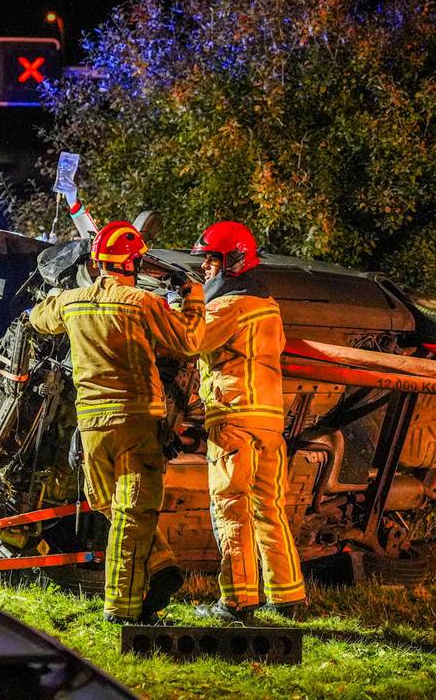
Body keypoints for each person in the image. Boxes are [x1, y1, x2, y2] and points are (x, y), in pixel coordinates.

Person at [29, 220, 204, 624]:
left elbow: (39, 319)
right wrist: (191, 297)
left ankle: (160, 566)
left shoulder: (72, 302)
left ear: (96, 261)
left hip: (92, 425)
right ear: (135, 263)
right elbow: (190, 341)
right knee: (133, 511)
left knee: (109, 503)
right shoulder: (142, 302)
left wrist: (54, 294)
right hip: (137, 421)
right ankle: (124, 609)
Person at [187, 221, 306, 622]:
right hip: (270, 422)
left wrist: (184, 302)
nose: (205, 269)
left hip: (233, 419)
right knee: (270, 508)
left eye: (210, 261)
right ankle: (288, 596)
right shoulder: (268, 306)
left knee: (230, 507)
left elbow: (190, 340)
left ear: (233, 261)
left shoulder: (227, 306)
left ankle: (237, 601)